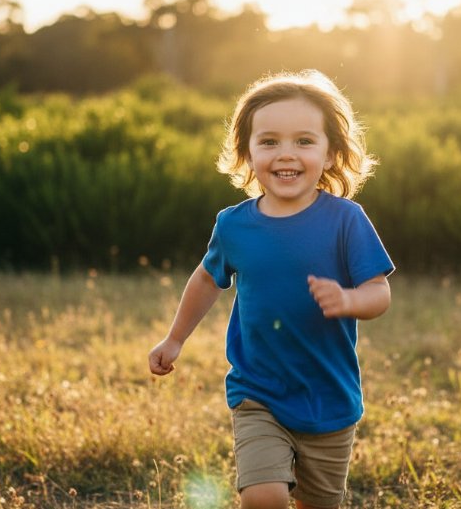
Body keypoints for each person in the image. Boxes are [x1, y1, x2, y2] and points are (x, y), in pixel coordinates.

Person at [148, 69, 394, 509]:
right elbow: (207, 278)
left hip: (329, 398)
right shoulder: (234, 225)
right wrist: (175, 338)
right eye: (269, 141)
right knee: (263, 496)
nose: (286, 154)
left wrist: (349, 300)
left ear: (331, 152)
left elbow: (379, 292)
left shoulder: (346, 220)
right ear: (246, 151)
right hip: (257, 392)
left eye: (304, 141)